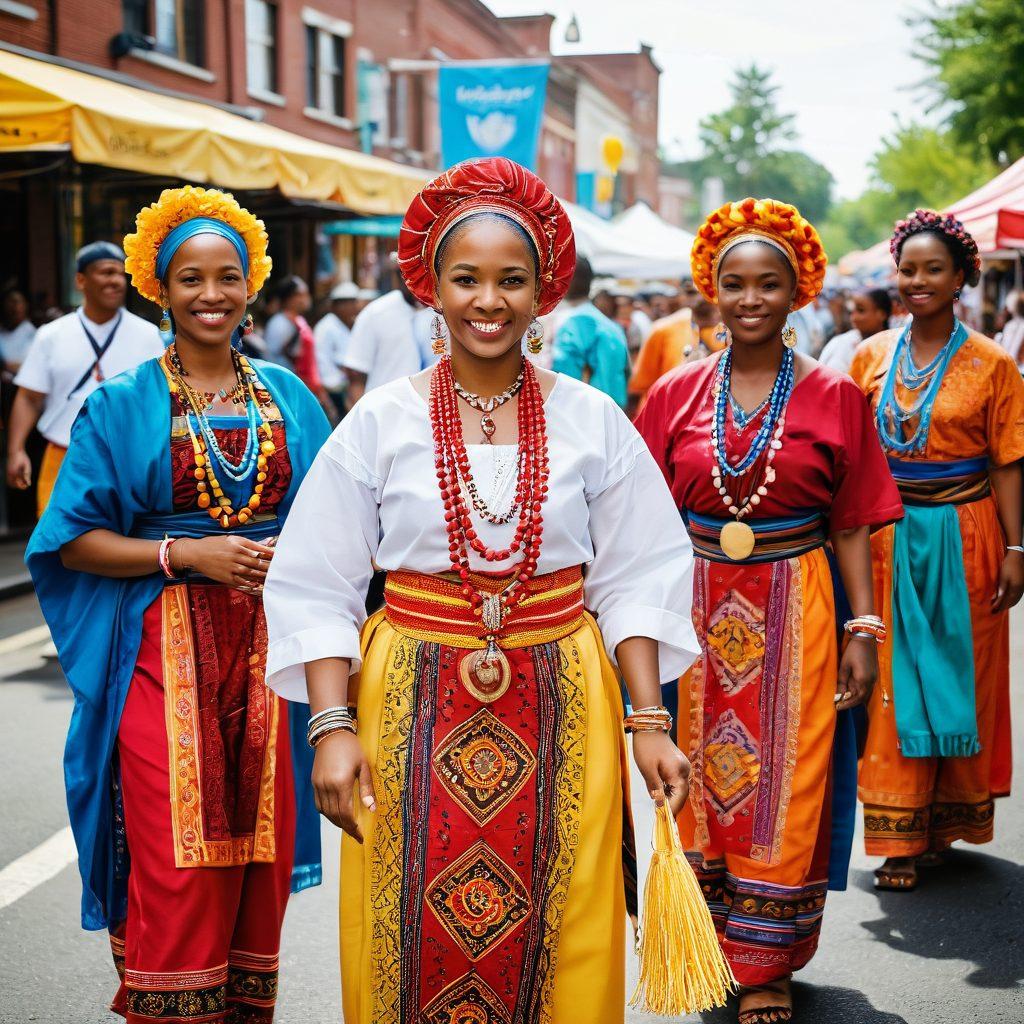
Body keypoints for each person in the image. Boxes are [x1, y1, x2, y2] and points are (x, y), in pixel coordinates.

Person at [262, 157, 699, 1024]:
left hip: (564, 694)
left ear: (545, 292)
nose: (488, 300)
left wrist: (648, 724)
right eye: (467, 278)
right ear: (431, 284)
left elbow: (640, 573)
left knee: (566, 914)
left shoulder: (591, 418)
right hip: (409, 701)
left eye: (512, 280)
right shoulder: (381, 421)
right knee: (407, 915)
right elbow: (318, 582)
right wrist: (330, 728)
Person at [25, 186, 330, 1023]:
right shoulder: (120, 404)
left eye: (227, 276)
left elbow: (342, 524)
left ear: (252, 283)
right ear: (159, 286)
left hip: (274, 661)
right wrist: (181, 553)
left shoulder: (294, 399)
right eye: (189, 277)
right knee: (175, 852)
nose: (211, 295)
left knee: (256, 860)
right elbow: (68, 538)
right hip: (162, 656)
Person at [637, 197, 903, 1024]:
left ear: (799, 293)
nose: (750, 299)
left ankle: (768, 965)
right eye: (735, 284)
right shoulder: (675, 393)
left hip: (802, 599)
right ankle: (709, 945)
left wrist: (866, 627)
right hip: (693, 606)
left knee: (790, 782)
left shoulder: (835, 395)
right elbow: (638, 523)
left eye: (769, 284)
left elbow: (853, 520)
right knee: (696, 784)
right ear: (712, 291)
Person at [850, 209, 1024, 892]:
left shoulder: (993, 363)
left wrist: (1017, 547)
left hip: (970, 531)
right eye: (908, 269)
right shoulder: (869, 356)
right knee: (890, 681)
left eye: (933, 270)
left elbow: (1009, 462)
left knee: (962, 676)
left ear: (961, 279)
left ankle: (943, 823)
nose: (916, 281)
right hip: (889, 535)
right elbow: (855, 458)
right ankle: (898, 835)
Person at [6, 242, 163, 517]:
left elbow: (159, 401)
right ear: (81, 280)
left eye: (119, 273)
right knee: (58, 547)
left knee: (122, 548)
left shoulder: (147, 335)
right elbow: (29, 398)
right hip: (63, 455)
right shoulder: (51, 335)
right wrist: (16, 450)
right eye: (105, 272)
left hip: (127, 458)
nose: (115, 280)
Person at [551, 255, 631, 409]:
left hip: (580, 416)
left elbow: (562, 383)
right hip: (614, 415)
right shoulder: (611, 326)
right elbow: (626, 373)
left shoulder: (570, 323)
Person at [341, 266, 424, 405]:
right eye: (410, 273)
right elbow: (356, 376)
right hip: (384, 414)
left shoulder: (447, 312)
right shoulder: (376, 313)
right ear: (399, 276)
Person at [629, 292, 724, 410]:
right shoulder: (664, 328)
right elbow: (640, 384)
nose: (701, 298)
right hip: (664, 413)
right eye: (692, 292)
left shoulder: (729, 329)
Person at [313, 281, 362, 418]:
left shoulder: (344, 324)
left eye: (354, 302)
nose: (354, 307)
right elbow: (322, 361)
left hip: (344, 386)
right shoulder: (326, 327)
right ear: (337, 305)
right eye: (349, 303)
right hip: (333, 389)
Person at [818, 288, 893, 374]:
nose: (854, 317)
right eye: (852, 311)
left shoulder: (896, 346)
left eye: (861, 310)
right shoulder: (843, 345)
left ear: (882, 314)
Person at [0, 287, 36, 375]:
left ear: (25, 305)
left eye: (17, 302)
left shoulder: (31, 332)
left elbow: (29, 367)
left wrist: (5, 366)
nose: (14, 307)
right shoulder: (2, 330)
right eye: (10, 302)